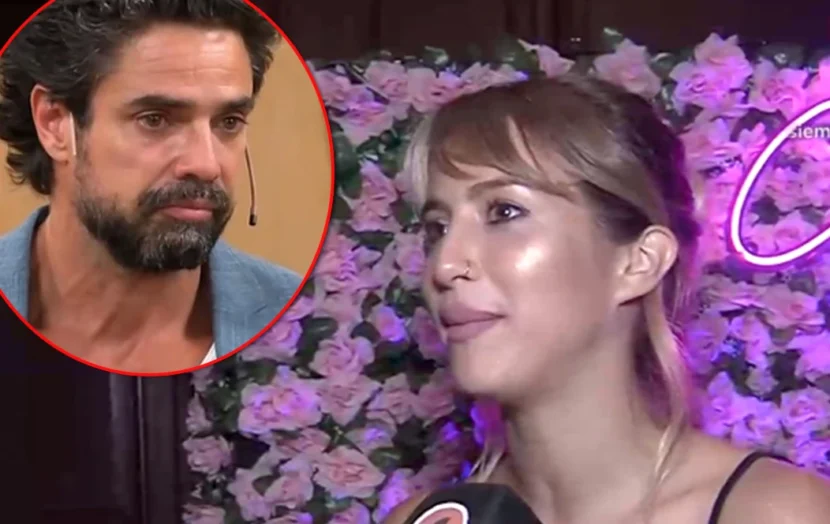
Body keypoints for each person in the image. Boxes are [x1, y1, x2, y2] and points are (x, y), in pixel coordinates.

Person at [385, 74, 830, 523]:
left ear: (639, 262)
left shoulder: (778, 512)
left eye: (504, 212)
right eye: (437, 228)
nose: (445, 265)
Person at [0, 0, 302, 373]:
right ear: (55, 124)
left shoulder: (310, 322)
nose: (206, 165)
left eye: (229, 121)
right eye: (155, 119)